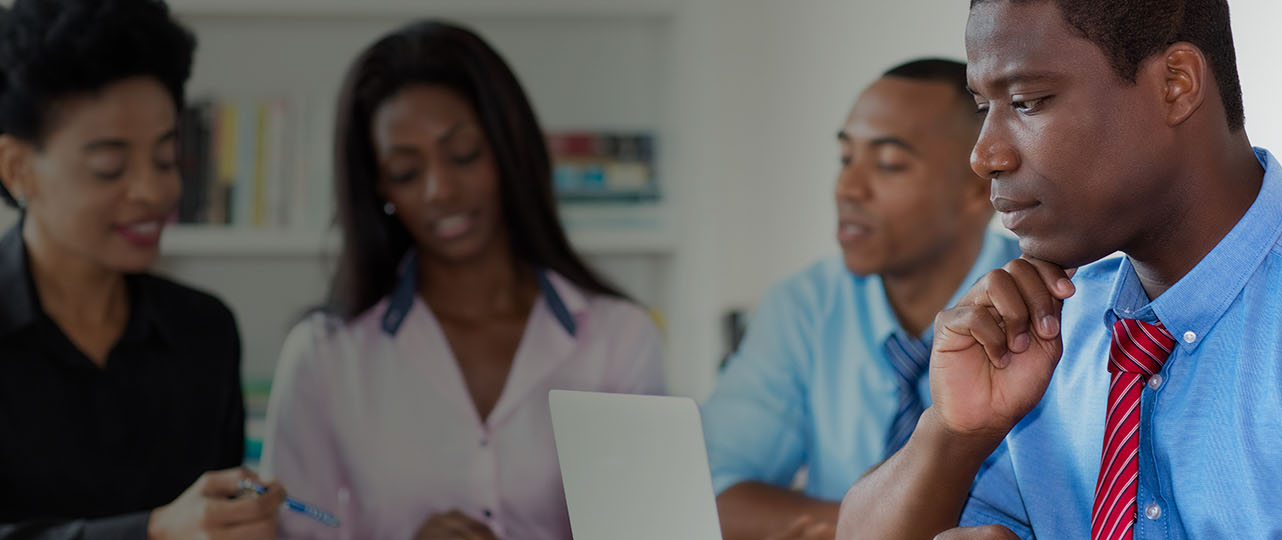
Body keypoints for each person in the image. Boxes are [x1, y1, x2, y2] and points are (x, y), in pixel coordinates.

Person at [837, 1, 1282, 539]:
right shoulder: (1048, 336)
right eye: (985, 108)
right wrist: (954, 433)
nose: (985, 155)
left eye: (1029, 101)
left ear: (1176, 84)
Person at [260, 20, 664, 540]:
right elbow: (304, 520)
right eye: (407, 172)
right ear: (380, 187)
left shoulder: (618, 340)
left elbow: (651, 531)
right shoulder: (325, 355)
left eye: (464, 155)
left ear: (507, 149)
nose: (440, 190)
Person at [0, 0, 286, 538]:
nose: (154, 192)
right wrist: (152, 531)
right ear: (17, 169)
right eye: (109, 167)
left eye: (165, 158)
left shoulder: (205, 332)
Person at [700, 59, 1020, 540]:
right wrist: (879, 529)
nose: (848, 188)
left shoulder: (1044, 303)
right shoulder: (805, 306)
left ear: (981, 189)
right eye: (846, 158)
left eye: (889, 164)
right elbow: (710, 491)